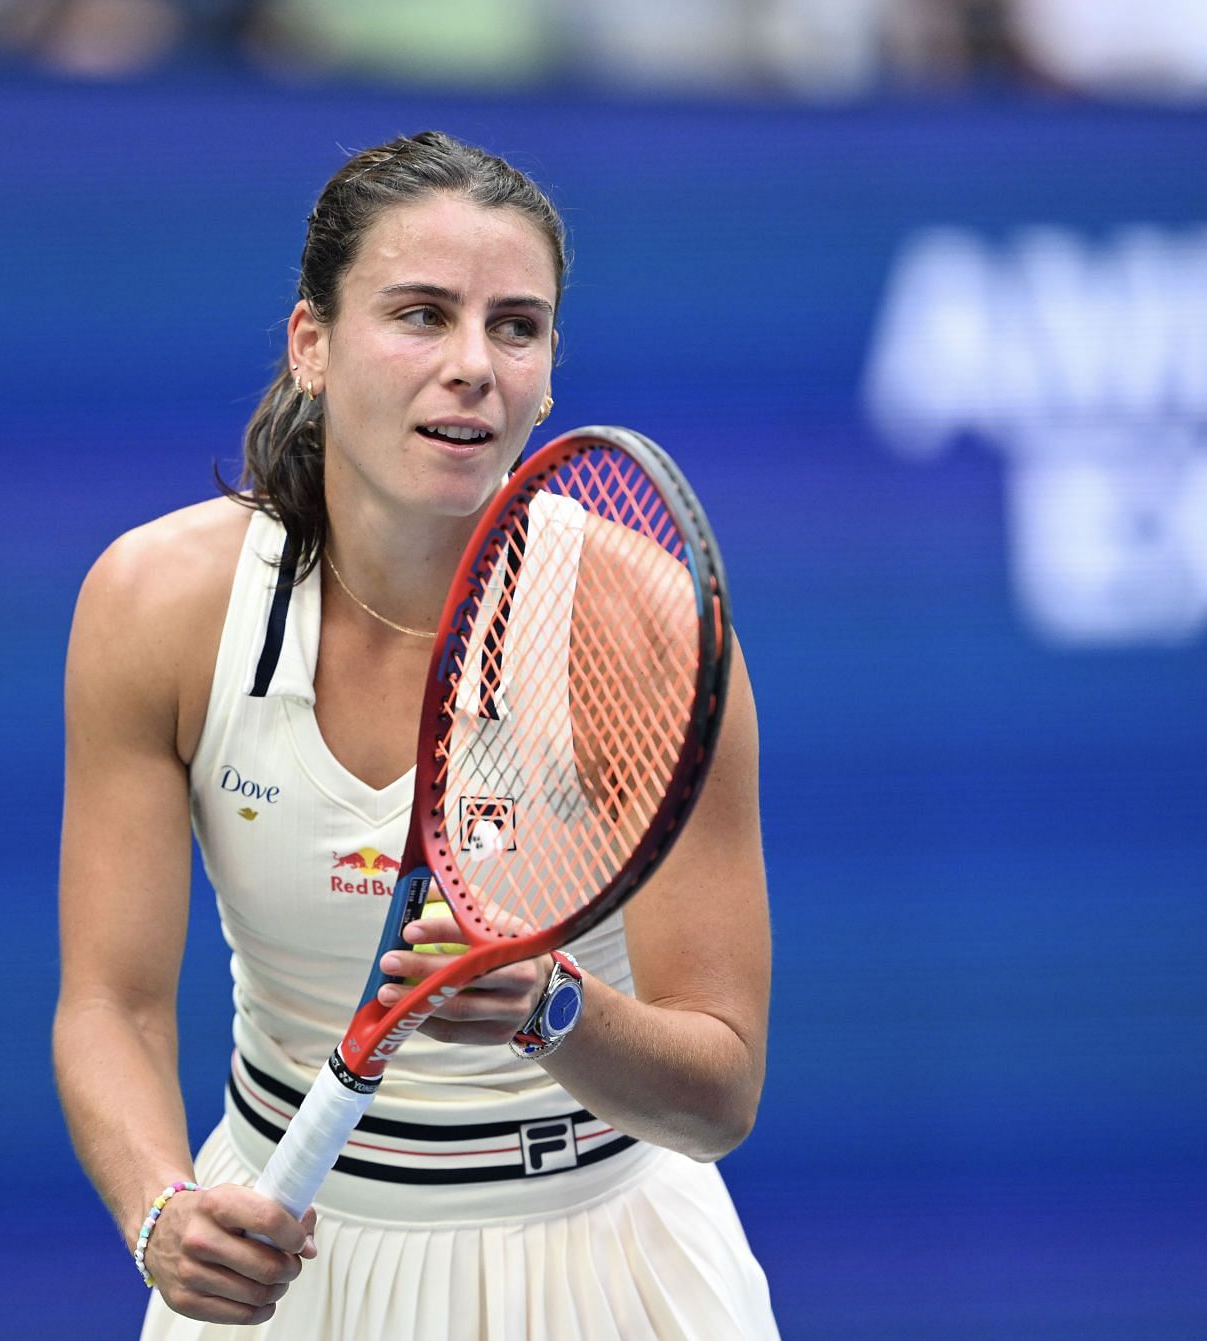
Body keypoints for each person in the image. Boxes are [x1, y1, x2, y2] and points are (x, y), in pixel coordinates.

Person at [53, 130, 776, 1339]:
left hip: (606, 1272)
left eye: (516, 326)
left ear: (549, 373)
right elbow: (109, 1006)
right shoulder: (153, 606)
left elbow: (719, 1094)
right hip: (279, 1262)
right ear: (311, 347)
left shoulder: (644, 623)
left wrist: (552, 1008)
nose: (472, 367)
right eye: (421, 315)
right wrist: (162, 1210)